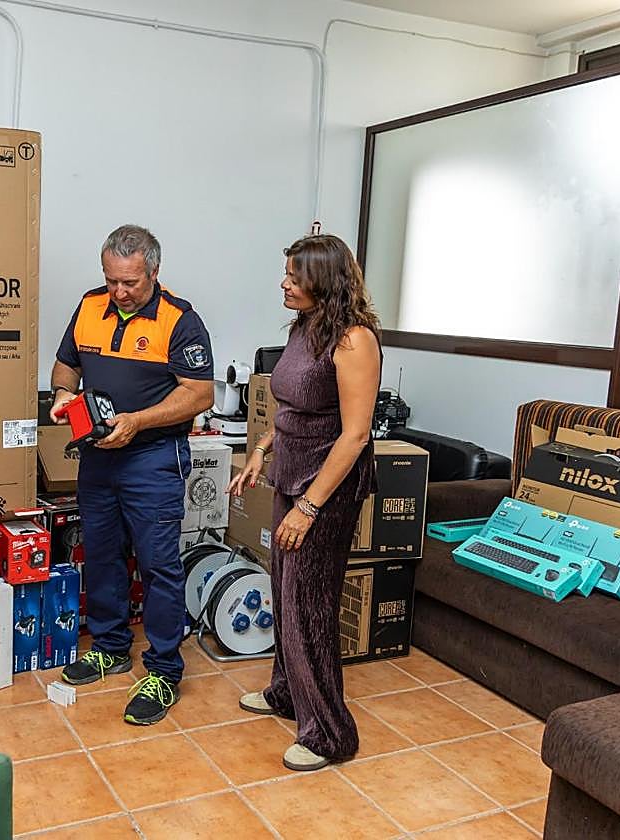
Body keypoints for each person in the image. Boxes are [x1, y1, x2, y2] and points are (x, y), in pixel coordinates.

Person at [228, 233, 381, 771]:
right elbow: (290, 409)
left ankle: (329, 733)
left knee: (311, 604)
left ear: (324, 279)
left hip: (328, 489)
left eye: (294, 275)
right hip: (292, 475)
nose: (283, 283)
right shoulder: (303, 328)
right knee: (285, 591)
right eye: (286, 273)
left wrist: (310, 507)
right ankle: (287, 693)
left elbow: (356, 435)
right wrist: (260, 452)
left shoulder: (354, 340)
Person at [51, 224, 215, 725]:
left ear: (154, 273)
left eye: (131, 284)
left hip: (153, 459)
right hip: (98, 457)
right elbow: (65, 367)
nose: (119, 292)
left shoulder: (180, 320)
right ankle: (111, 646)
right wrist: (62, 397)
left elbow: (199, 394)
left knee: (158, 564)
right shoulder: (88, 306)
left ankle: (164, 670)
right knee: (100, 554)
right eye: (112, 280)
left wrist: (138, 422)